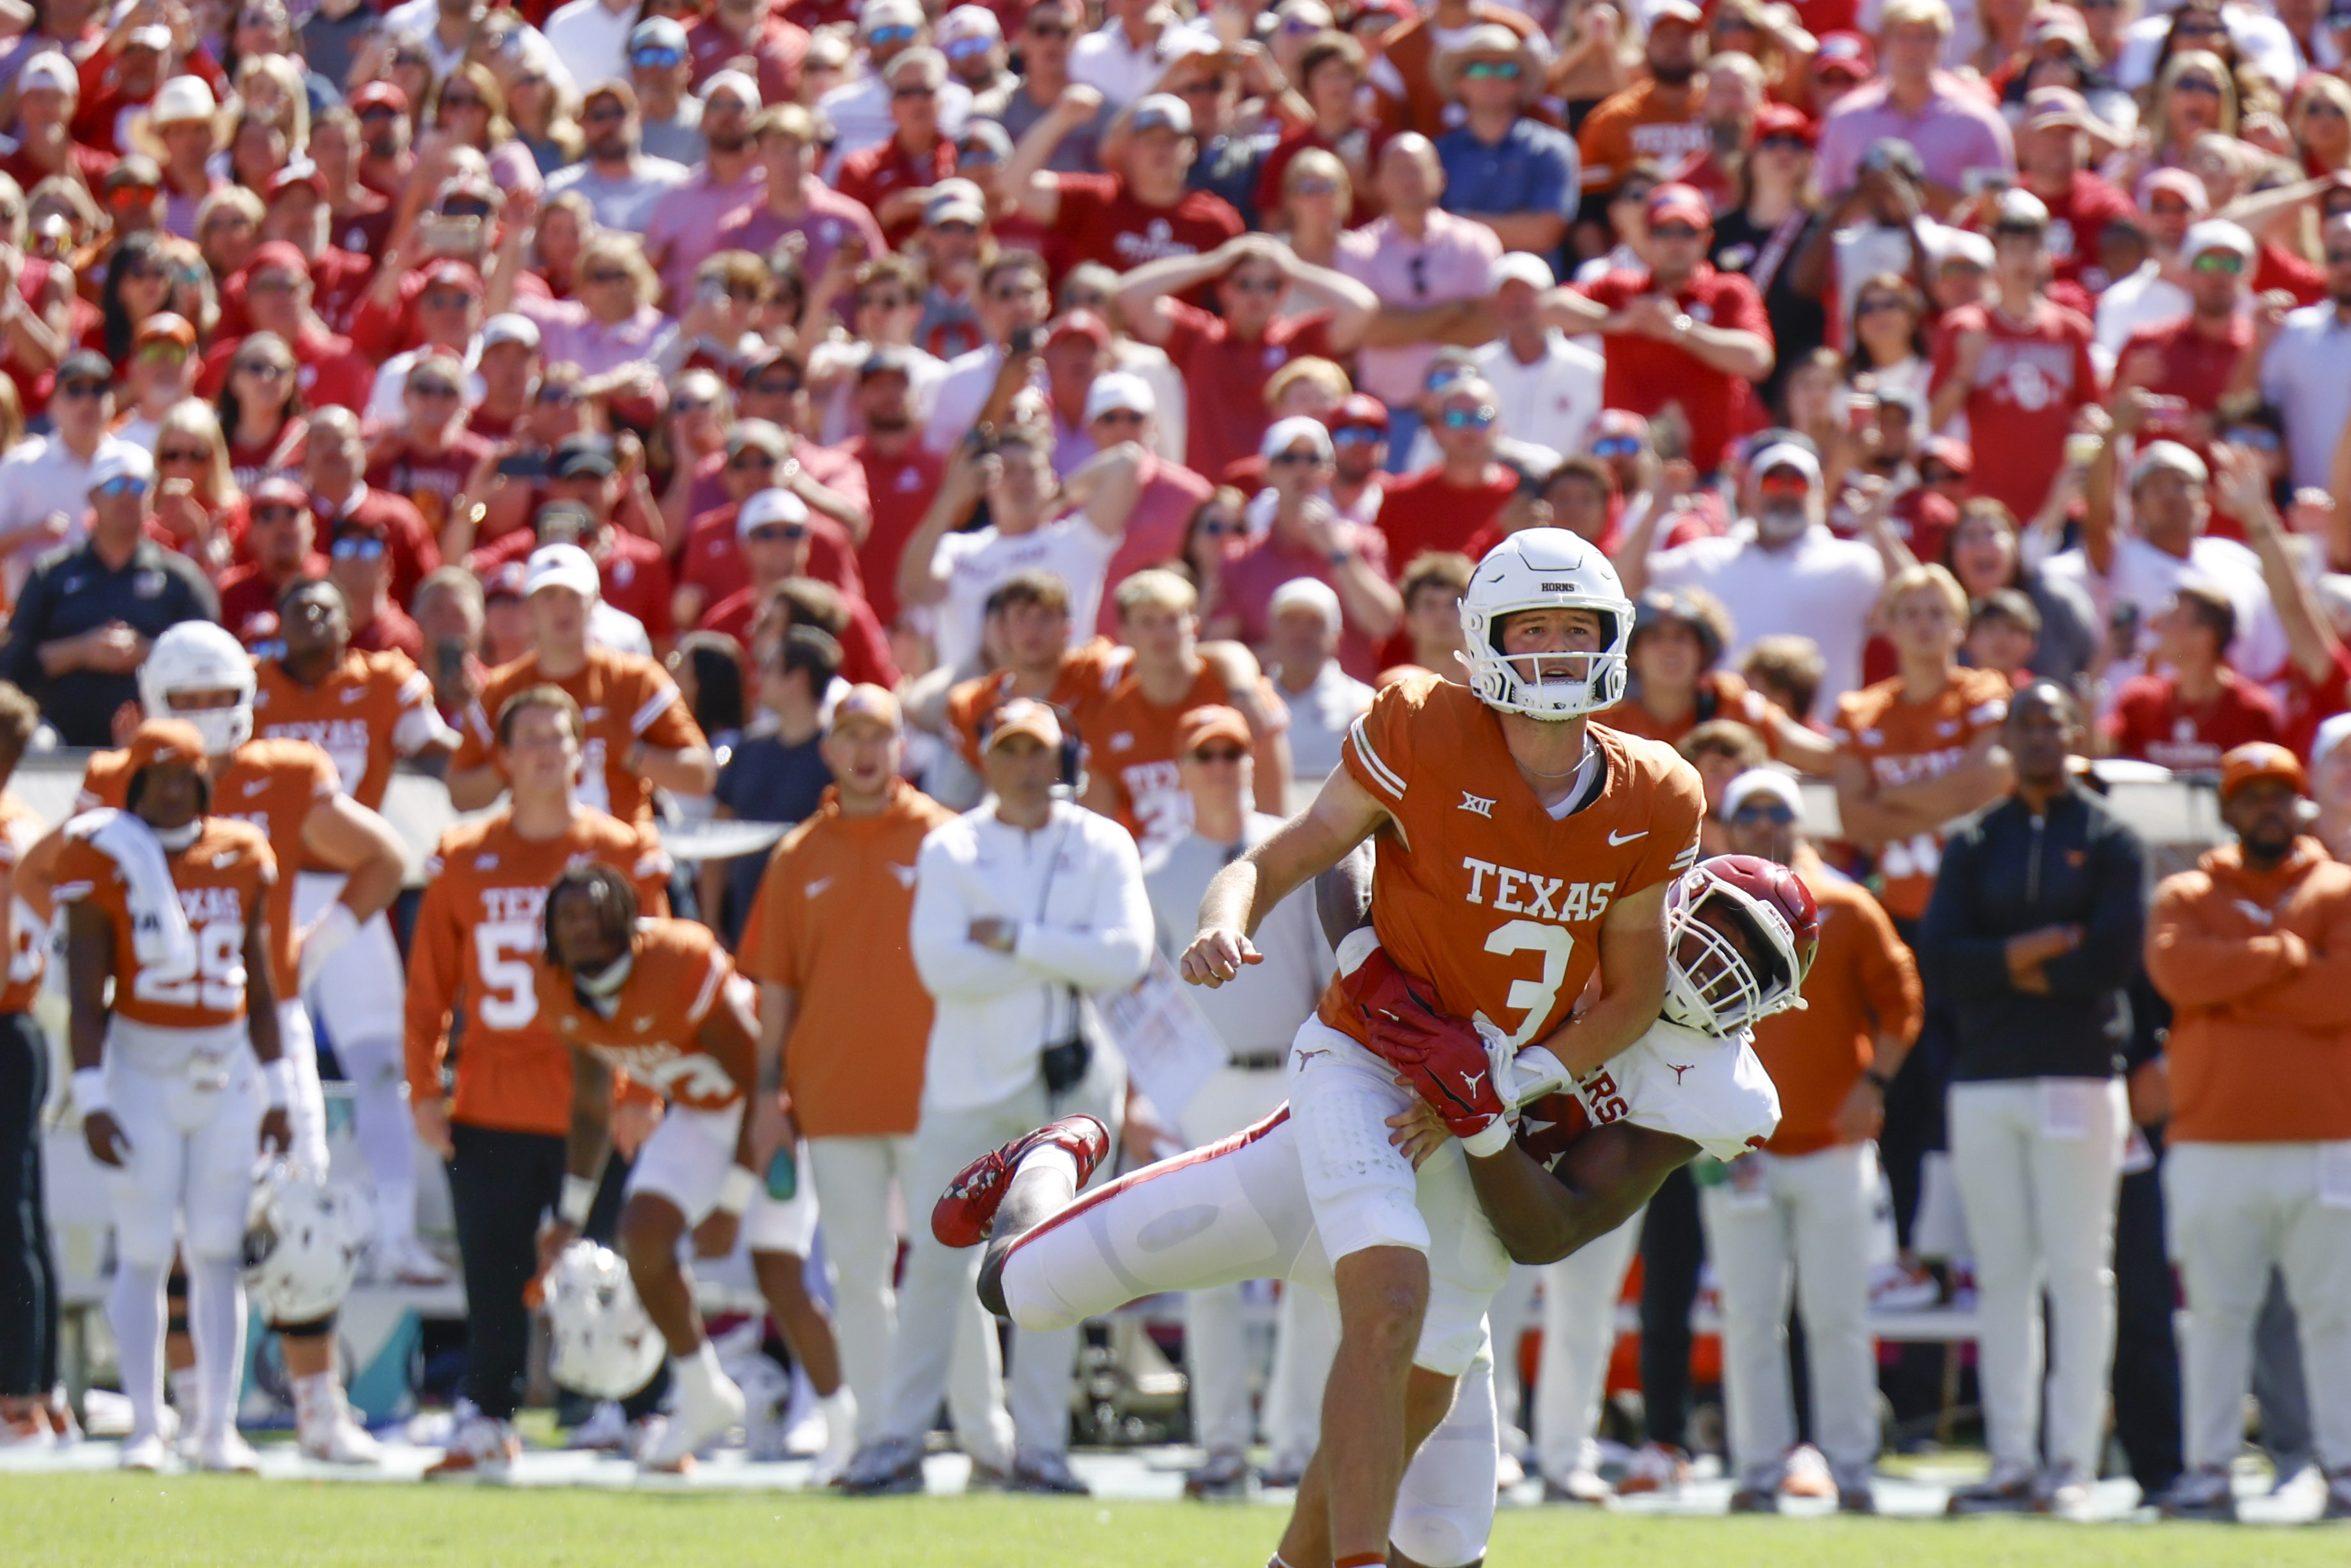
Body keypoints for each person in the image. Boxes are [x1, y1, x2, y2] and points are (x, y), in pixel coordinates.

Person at [952, 850, 1805, 1562]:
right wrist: (1369, 963)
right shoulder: (1571, 908)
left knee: (1434, 1545)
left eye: (1750, 957)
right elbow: (1348, 846)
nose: (1715, 960)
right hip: (1329, 1158)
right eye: (1719, 925)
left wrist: (1477, 1119)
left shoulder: (1714, 1093)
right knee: (1017, 1288)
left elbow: (1552, 1228)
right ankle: (1048, 1159)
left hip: (1452, 1258)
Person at [1173, 528, 1705, 1565]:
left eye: (1573, 630)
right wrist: (1220, 915)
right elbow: (1286, 853)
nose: (1553, 651)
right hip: (1364, 1054)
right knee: (1388, 1300)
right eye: (1532, 629)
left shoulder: (1654, 789)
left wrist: (1512, 1086)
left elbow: (1634, 992)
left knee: (1440, 1396)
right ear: (1484, 638)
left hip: (1485, 1093)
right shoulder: (1419, 722)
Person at [841, 697, 1151, 1496]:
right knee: (935, 1267)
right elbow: (943, 966)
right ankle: (896, 1442)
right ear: (986, 756)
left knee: (1062, 1266)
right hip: (967, 1083)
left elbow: (1126, 954)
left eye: (1037, 749)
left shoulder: (1102, 840)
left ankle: (1040, 1449)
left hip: (1071, 1088)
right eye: (1009, 748)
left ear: (1062, 757)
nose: (1024, 764)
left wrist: (1013, 938)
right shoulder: (953, 845)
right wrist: (1063, 956)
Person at [405, 684, 674, 1477]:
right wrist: (425, 1083)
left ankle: (646, 1407)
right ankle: (490, 1411)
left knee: (622, 1263)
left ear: (579, 750)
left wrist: (646, 1089)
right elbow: (430, 983)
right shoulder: (464, 853)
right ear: (505, 756)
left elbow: (657, 977)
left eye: (559, 736)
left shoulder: (620, 847)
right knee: (493, 1269)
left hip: (598, 1101)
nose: (545, 750)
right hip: (491, 1093)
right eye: (528, 737)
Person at [1918, 681, 2150, 1516]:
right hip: (1984, 1080)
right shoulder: (1975, 839)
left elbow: (2113, 960)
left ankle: (2070, 1463)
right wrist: (2040, 946)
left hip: (2078, 1077)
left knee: (2079, 1273)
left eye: (2053, 722)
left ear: (2073, 732)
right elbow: (1939, 963)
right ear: (2005, 738)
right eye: (2025, 723)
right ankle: (2010, 1458)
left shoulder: (2112, 836)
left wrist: (2001, 965)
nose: (2040, 735)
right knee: (2004, 1275)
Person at [536, 867, 848, 1476]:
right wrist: (570, 1214)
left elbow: (762, 1087)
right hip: (700, 1112)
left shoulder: (677, 960)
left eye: (595, 913)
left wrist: (732, 1202)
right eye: (567, 916)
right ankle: (702, 1391)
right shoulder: (556, 984)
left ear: (627, 915)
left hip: (771, 1113)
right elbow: (593, 1102)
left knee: (779, 1271)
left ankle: (843, 1425)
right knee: (643, 1233)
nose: (581, 928)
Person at [739, 684, 966, 1485]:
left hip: (938, 1098)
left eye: (882, 734)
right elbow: (777, 988)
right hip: (833, 1102)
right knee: (857, 1278)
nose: (867, 750)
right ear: (829, 749)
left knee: (952, 1274)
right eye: (851, 735)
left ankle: (987, 1441)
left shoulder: (948, 840)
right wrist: (769, 1095)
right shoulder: (799, 853)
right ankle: (879, 1438)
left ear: (903, 744)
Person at [56, 721, 286, 1473]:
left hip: (223, 1066)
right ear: (132, 783)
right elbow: (87, 994)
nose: (172, 787)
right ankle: (146, 1426)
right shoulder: (103, 852)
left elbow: (261, 978)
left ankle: (217, 1426)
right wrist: (91, 1094)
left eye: (184, 772)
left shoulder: (243, 850)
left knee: (218, 1248)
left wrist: (280, 1084)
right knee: (148, 1247)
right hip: (141, 1065)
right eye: (156, 774)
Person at [2144, 743, 2351, 1523]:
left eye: (2280, 792)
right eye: (2250, 793)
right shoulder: (2186, 890)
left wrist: (2235, 984)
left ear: (2301, 803)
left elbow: (2343, 990)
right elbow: (2177, 977)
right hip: (2212, 1139)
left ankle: (2342, 1463)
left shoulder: (2339, 885)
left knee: (2336, 1313)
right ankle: (2209, 1466)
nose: (2266, 804)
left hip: (2327, 1135)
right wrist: (2286, 958)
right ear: (2226, 807)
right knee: (2216, 1315)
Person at [1709, 767, 1923, 1513]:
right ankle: (1759, 1466)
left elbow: (1904, 1003)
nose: (1764, 822)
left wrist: (1877, 1085)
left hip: (1834, 1141)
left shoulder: (1845, 904)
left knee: (1839, 1313)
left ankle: (1853, 1464)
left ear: (1802, 821)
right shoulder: (1701, 907)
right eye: (1748, 810)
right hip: (1740, 1149)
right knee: (1748, 1317)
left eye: (1777, 809)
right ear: (1725, 824)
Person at [1138, 702, 1333, 1496]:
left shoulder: (1293, 850)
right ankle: (1221, 1446)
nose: (1221, 764)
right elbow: (1141, 1002)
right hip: (1203, 1087)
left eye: (1233, 751)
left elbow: (1332, 978)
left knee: (1314, 1268)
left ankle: (1296, 1444)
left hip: (1294, 1075)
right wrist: (1150, 1099)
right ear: (1181, 770)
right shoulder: (1154, 871)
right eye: (1205, 752)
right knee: (1209, 1276)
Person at [251, 579, 459, 1283]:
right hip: (264, 895)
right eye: (298, 605)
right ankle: (267, 1229)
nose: (312, 614)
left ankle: (396, 1233)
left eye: (326, 606)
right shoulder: (248, 687)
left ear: (351, 621)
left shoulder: (384, 681)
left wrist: (476, 750)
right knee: (262, 1071)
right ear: (277, 621)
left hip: (352, 896)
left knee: (380, 1068)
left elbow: (438, 751)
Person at [447, 543, 716, 821]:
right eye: (549, 595)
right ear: (529, 608)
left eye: (573, 595)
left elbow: (701, 776)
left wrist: (630, 752)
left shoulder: (637, 680)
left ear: (595, 603)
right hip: (539, 855)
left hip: (623, 855)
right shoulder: (502, 689)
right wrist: (512, 761)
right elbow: (459, 794)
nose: (562, 608)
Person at [1622, 440, 1885, 711]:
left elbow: (1916, 605)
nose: (1784, 494)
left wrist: (1879, 528)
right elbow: (1624, 592)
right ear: (1748, 494)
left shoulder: (1854, 564)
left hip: (1819, 740)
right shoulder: (1708, 559)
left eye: (1797, 484)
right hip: (1725, 742)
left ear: (1818, 494)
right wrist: (1655, 511)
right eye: (1771, 483)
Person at [1831, 564, 2015, 928]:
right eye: (1911, 613)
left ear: (1960, 627)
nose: (1924, 624)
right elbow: (1855, 821)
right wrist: (1957, 802)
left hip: (1981, 906)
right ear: (1890, 626)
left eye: (1937, 613)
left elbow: (1985, 784)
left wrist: (1884, 794)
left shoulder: (1982, 692)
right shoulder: (1859, 711)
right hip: (1898, 909)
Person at [1112, 232, 1376, 485]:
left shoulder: (1297, 340)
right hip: (1209, 499)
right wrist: (1212, 262)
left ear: (1283, 294)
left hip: (1277, 497)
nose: (1256, 295)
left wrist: (1292, 269)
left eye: (1270, 285)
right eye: (1244, 284)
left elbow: (1363, 308)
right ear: (1224, 290)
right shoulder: (1199, 338)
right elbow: (1127, 296)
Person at [1550, 182, 1775, 474]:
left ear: (1707, 237)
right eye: (1664, 231)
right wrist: (1617, 322)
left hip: (1707, 472)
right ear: (1648, 238)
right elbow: (1548, 308)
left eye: (1687, 232)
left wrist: (1680, 330)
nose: (1675, 243)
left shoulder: (1729, 292)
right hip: (1628, 473)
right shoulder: (1621, 289)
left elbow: (1758, 360)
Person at [0, 443, 217, 747]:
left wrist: (148, 653)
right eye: (115, 485)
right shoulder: (52, 573)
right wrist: (82, 651)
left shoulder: (179, 579)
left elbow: (212, 660)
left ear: (151, 496)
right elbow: (12, 664)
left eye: (138, 486)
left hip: (160, 744)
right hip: (58, 739)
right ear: (92, 496)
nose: (127, 495)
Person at [896, 430, 1144, 673]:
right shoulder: (957, 548)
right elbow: (913, 589)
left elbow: (1126, 462)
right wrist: (951, 497)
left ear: (1051, 479)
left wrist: (1059, 497)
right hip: (972, 705)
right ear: (986, 482)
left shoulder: (1076, 541)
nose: (1021, 481)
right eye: (1009, 470)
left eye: (1032, 471)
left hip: (1059, 703)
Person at [1082, 570, 1291, 855]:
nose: (1162, 633)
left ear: (1193, 625)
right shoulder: (1110, 720)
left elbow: (1276, 815)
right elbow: (1100, 834)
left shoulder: (1239, 696)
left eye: (1172, 620)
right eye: (1147, 622)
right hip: (1154, 880)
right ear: (1125, 633)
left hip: (1242, 865)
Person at [1927, 190, 2101, 525]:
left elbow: (2089, 408)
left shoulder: (2071, 330)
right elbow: (1935, 420)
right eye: (2012, 249)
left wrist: (2093, 422)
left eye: (2031, 248)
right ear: (1995, 258)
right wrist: (1965, 371)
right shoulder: (1965, 327)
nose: (2022, 260)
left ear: (2046, 257)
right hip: (1988, 507)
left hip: (2058, 506)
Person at [1598, 587, 1834, 772]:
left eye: (1682, 638)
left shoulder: (1731, 702)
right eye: (1654, 638)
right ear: (1633, 655)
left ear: (1703, 651)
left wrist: (1863, 744)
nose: (1670, 649)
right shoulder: (1605, 720)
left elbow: (1823, 758)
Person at [1813, 0, 2015, 200]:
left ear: (1943, 43)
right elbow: (1825, 201)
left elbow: (1995, 209)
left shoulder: (1977, 120)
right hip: (1861, 232)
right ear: (1884, 42)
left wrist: (1916, 188)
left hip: (1948, 232)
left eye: (1924, 37)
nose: (1913, 48)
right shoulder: (1847, 118)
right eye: (1903, 36)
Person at [0, 685, 52, 1447]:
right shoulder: (33, 830)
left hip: (6, 1017)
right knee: (20, 1209)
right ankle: (32, 1388)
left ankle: (19, 1394)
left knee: (12, 1213)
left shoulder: (18, 833)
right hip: (19, 1021)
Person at [0, 349, 140, 603]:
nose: (86, 402)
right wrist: (28, 534)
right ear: (53, 404)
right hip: (38, 625)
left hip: (116, 617)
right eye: (74, 390)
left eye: (98, 390)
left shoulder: (132, 462)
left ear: (112, 401)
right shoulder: (21, 465)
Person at [2103, 585, 2284, 775]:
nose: (2156, 625)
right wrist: (2099, 666)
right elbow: (2096, 756)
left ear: (2204, 637)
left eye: (2172, 620)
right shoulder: (2140, 701)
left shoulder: (2252, 711)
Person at [1264, 577, 1373, 779]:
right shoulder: (1250, 702)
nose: (1301, 633)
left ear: (1337, 637)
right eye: (1290, 621)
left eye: (1315, 623)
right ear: (1271, 631)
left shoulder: (1364, 704)